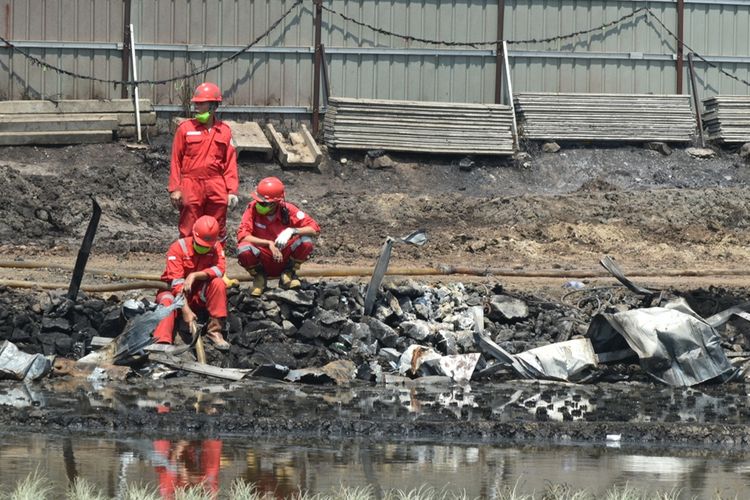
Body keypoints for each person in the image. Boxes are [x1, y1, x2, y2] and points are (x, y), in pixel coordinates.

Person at [169, 82, 238, 241]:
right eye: (196, 104)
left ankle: (215, 264)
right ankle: (188, 264)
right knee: (188, 228)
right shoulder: (185, 129)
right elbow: (175, 161)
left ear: (214, 106)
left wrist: (232, 191)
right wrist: (175, 188)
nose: (197, 107)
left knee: (216, 229)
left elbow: (230, 164)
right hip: (190, 185)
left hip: (216, 186)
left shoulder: (224, 131)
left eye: (201, 104)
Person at [153, 215, 230, 350]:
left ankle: (214, 331)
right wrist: (185, 310)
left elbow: (219, 270)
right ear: (193, 236)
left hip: (198, 295)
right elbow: (176, 284)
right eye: (200, 245)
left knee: (218, 283)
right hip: (174, 292)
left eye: (207, 247)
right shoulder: (178, 247)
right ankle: (162, 343)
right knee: (167, 300)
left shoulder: (216, 247)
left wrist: (195, 275)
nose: (204, 248)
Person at [237, 177, 320, 296]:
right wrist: (268, 243)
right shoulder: (252, 208)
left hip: (284, 255)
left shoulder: (288, 209)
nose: (259, 204)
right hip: (262, 256)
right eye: (258, 201)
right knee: (243, 249)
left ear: (276, 202)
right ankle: (259, 278)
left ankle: (288, 274)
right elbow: (242, 236)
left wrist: (293, 230)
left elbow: (314, 228)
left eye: (264, 203)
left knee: (306, 241)